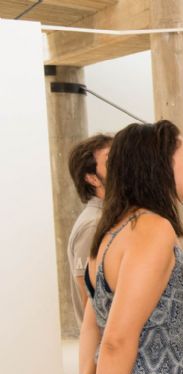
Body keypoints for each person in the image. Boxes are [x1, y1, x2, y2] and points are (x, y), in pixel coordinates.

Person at [70, 121, 183, 374]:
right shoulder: (152, 229)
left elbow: (95, 323)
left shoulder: (115, 229)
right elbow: (116, 340)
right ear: (158, 167)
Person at [67, 134, 112, 327]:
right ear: (92, 178)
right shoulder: (93, 224)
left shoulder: (107, 218)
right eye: (111, 160)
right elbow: (90, 300)